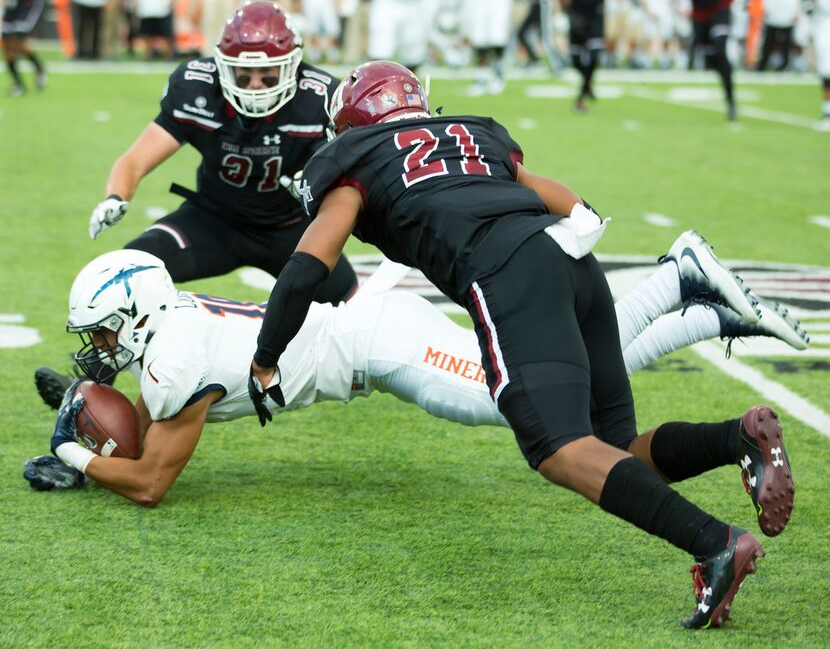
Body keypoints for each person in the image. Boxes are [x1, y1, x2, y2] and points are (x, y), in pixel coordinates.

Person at [246, 60, 796, 629]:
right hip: (572, 259)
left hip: (508, 272)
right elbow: (566, 201)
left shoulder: (354, 160)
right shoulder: (469, 134)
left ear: (351, 124)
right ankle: (739, 438)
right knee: (618, 451)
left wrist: (266, 360)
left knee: (558, 450)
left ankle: (715, 544)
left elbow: (304, 271)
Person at [27, 245, 803, 521]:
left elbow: (154, 479)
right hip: (367, 327)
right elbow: (146, 429)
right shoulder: (171, 331)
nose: (99, 348)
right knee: (565, 400)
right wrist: (84, 416)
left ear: (134, 317)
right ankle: (700, 310)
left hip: (381, 342)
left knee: (538, 403)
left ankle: (676, 282)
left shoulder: (170, 360)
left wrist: (78, 456)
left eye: (101, 332)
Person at [33, 0, 358, 406]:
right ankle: (90, 392)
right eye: (244, 73)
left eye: (267, 73)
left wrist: (317, 187)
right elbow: (136, 158)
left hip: (289, 230)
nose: (255, 84)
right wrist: (117, 195)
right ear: (223, 66)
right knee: (124, 278)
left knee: (354, 309)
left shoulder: (320, 98)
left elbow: (350, 183)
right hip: (213, 222)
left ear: (292, 67)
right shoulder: (196, 85)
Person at [687, 0, 738, 120]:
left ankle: (731, 102)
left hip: (719, 5)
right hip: (700, 10)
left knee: (720, 49)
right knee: (709, 54)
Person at [559, 0, 605, 112]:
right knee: (575, 60)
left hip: (595, 17)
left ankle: (580, 98)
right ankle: (587, 84)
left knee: (595, 56)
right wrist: (566, 11)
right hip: (577, 16)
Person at [1, 0, 47, 96]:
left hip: (28, 0)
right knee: (6, 43)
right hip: (11, 0)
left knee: (18, 41)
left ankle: (39, 67)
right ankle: (18, 84)